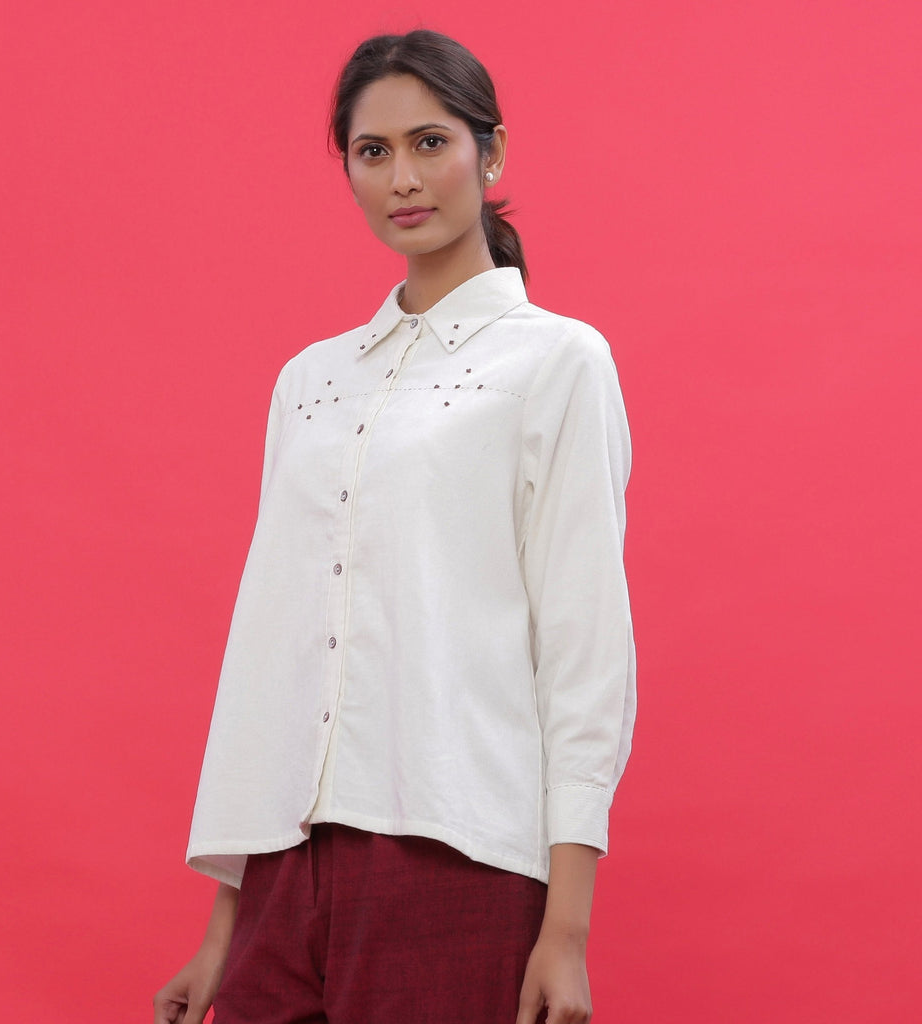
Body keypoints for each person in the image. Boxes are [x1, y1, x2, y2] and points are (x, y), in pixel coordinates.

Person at [154, 29, 635, 1024]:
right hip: (284, 870)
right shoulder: (311, 381)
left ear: (488, 152)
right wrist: (224, 925)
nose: (402, 178)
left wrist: (567, 929)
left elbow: (584, 649)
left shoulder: (557, 363)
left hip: (455, 858)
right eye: (371, 153)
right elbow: (272, 652)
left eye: (428, 142)